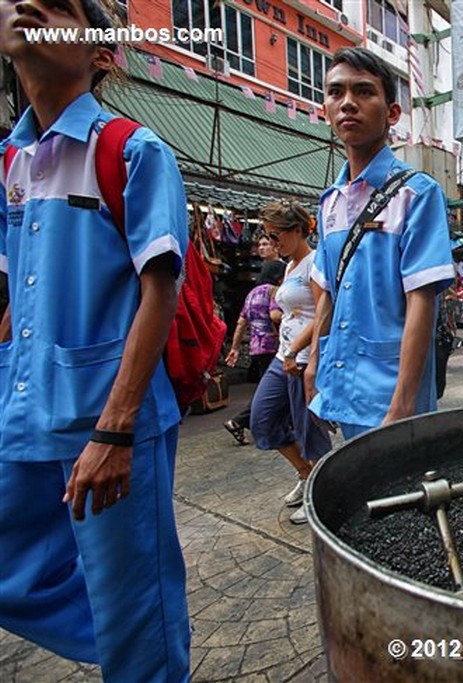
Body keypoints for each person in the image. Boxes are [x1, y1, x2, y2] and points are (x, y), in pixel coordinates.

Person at [0, 1, 190, 678]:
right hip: (23, 407)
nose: (25, 7)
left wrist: (114, 431)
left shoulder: (132, 150)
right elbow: (14, 291)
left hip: (107, 418)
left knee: (139, 617)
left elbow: (158, 289)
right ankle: (126, 627)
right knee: (11, 574)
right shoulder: (10, 162)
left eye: (53, 4)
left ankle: (142, 637)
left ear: (100, 52)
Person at [306, 47, 454, 441]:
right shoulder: (330, 202)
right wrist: (313, 365)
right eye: (336, 93)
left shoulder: (417, 195)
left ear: (392, 113)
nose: (348, 103)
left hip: (392, 393)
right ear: (325, 108)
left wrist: (403, 405)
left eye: (364, 92)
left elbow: (421, 300)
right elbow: (328, 294)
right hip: (342, 384)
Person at [248, 201, 332, 525]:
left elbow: (324, 310)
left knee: (309, 431)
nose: (272, 241)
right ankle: (306, 474)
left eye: (276, 234)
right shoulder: (288, 266)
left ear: (297, 230)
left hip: (301, 359)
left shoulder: (314, 263)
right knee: (262, 419)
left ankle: (322, 493)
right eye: (268, 235)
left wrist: (302, 349)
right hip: (282, 358)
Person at [223, 259, 287, 445]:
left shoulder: (252, 293)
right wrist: (294, 314)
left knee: (268, 386)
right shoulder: (273, 291)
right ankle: (239, 421)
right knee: (274, 388)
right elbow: (275, 315)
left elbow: (241, 322)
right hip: (272, 346)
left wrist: (235, 347)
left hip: (256, 347)